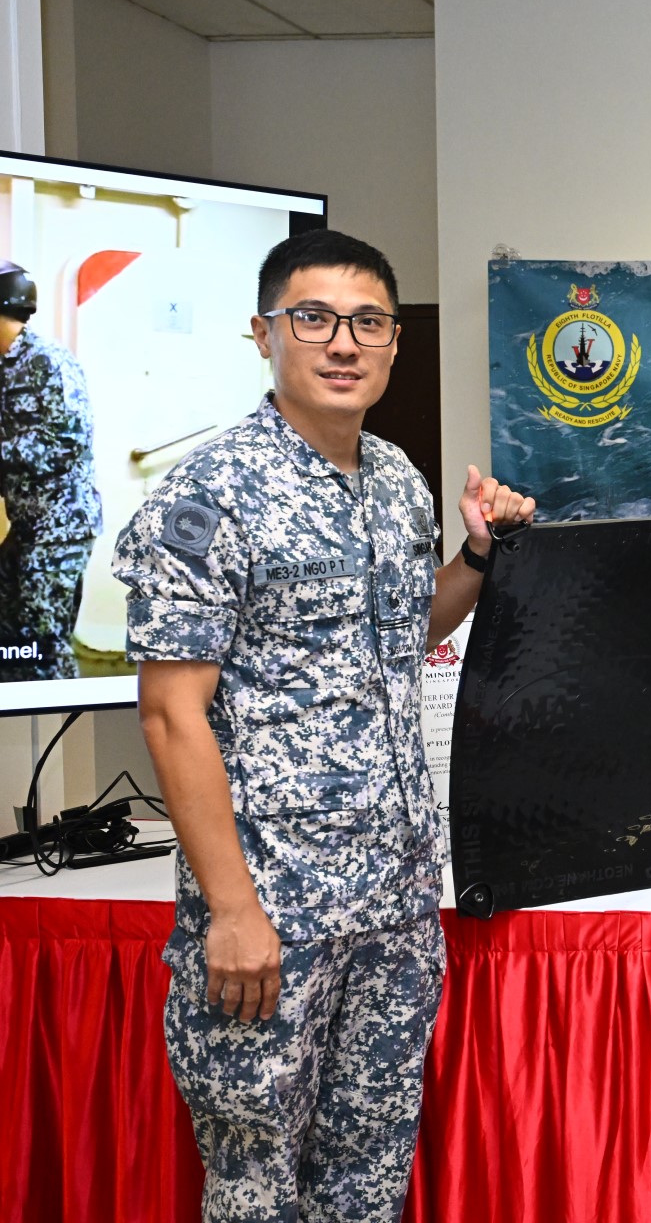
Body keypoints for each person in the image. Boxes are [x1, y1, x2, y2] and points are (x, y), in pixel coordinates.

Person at [111, 230, 534, 1223]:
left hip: (394, 904)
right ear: (264, 334)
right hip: (274, 913)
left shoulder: (395, 478)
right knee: (258, 1187)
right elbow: (171, 713)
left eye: (367, 322)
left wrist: (476, 557)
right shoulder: (208, 495)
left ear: (392, 343)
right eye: (313, 319)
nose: (342, 343)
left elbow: (401, 635)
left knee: (368, 1179)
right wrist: (231, 911)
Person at [0, 260, 104, 680]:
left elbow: (67, 441)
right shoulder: (5, 366)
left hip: (60, 528)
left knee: (43, 645)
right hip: (27, 526)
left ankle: (66, 713)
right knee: (11, 636)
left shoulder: (48, 361)